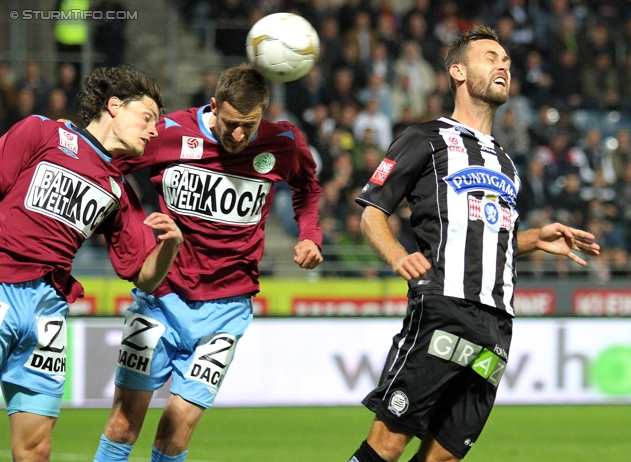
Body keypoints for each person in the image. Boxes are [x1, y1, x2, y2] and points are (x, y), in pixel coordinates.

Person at [347, 26, 600, 462]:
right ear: (458, 71)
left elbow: (483, 235)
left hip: (497, 325)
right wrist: (397, 254)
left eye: (506, 59)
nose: (503, 64)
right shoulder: (425, 138)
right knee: (388, 442)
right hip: (444, 308)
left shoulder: (505, 161)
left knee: (444, 455)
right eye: (490, 57)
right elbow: (372, 212)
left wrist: (534, 239)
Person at [94, 63, 323, 462]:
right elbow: (106, 165)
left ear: (263, 113)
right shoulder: (169, 133)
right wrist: (132, 223)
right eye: (231, 123)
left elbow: (307, 186)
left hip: (226, 310)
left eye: (248, 126)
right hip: (160, 299)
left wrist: (309, 234)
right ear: (214, 105)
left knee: (177, 429)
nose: (237, 136)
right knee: (123, 424)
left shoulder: (283, 141)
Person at [0, 65, 184, 462]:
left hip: (47, 312)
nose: (154, 131)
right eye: (148, 117)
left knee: (36, 448)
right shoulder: (43, 133)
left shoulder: (117, 189)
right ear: (114, 106)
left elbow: (144, 277)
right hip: (1, 285)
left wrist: (171, 244)